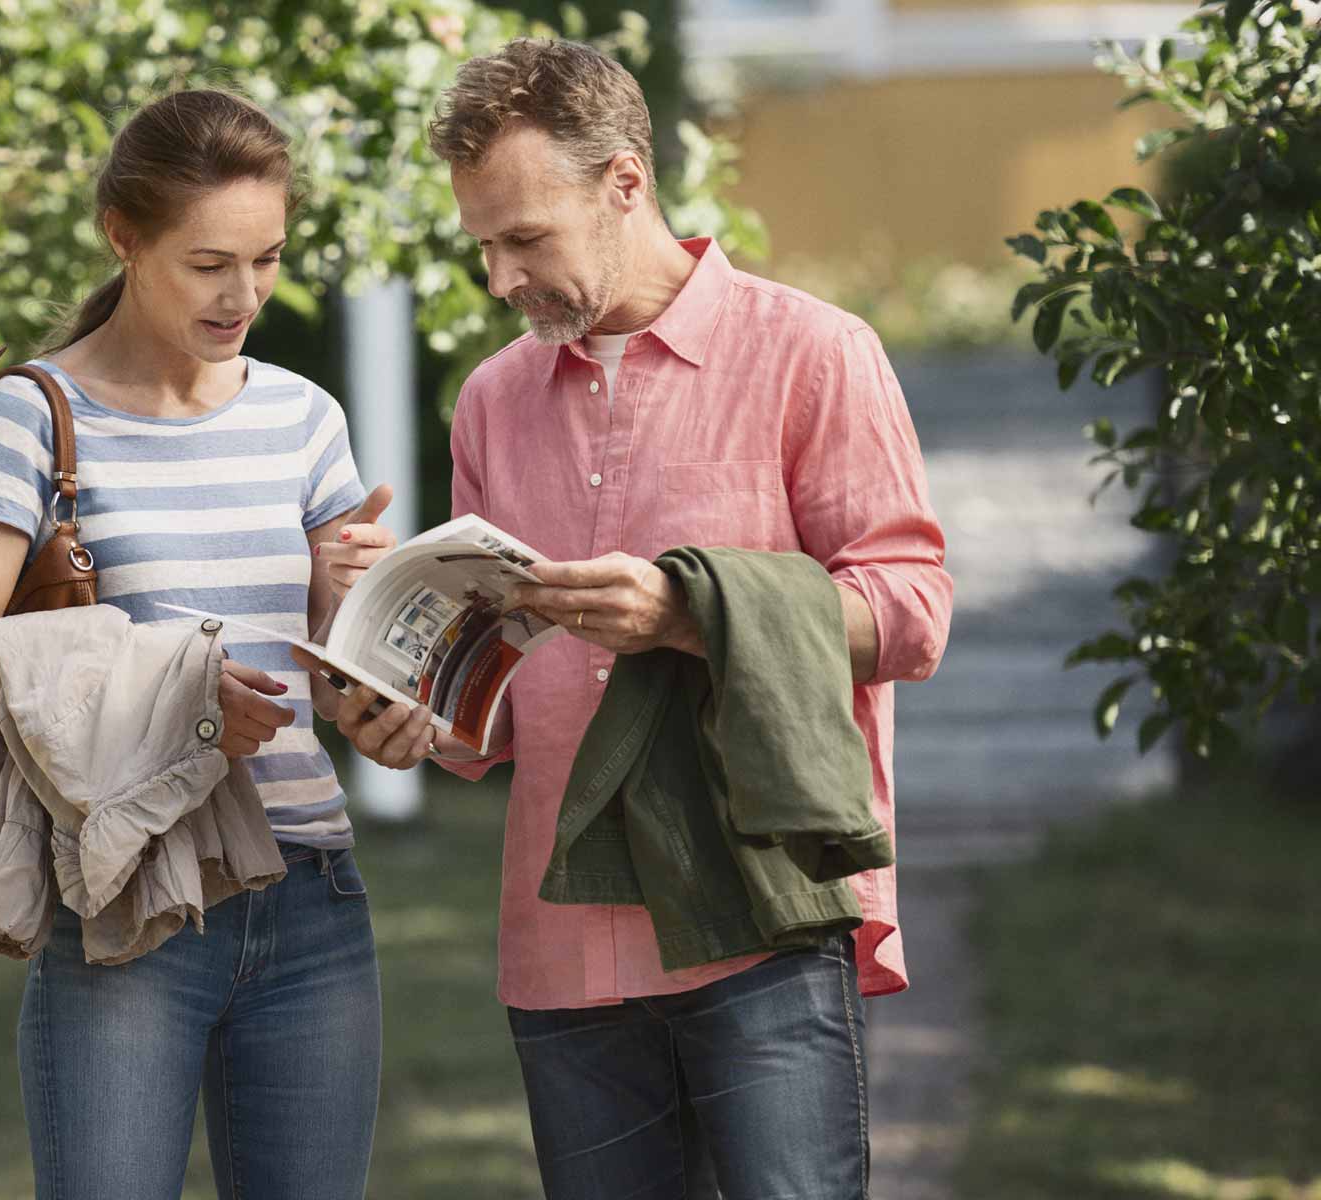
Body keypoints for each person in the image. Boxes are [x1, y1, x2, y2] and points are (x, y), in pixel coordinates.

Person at [316, 39, 953, 1200]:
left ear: (623, 183)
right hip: (561, 945)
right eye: (483, 247)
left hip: (759, 910)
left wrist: (689, 613)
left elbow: (910, 612)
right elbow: (491, 709)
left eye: (523, 239)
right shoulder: (494, 400)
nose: (501, 278)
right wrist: (399, 708)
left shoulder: (813, 355)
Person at [0, 89, 389, 1200]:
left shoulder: (302, 418)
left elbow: (334, 671)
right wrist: (174, 684)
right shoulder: (35, 415)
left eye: (266, 258)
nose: (243, 295)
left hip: (312, 896)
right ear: (123, 238)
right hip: (129, 902)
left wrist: (351, 610)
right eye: (207, 262)